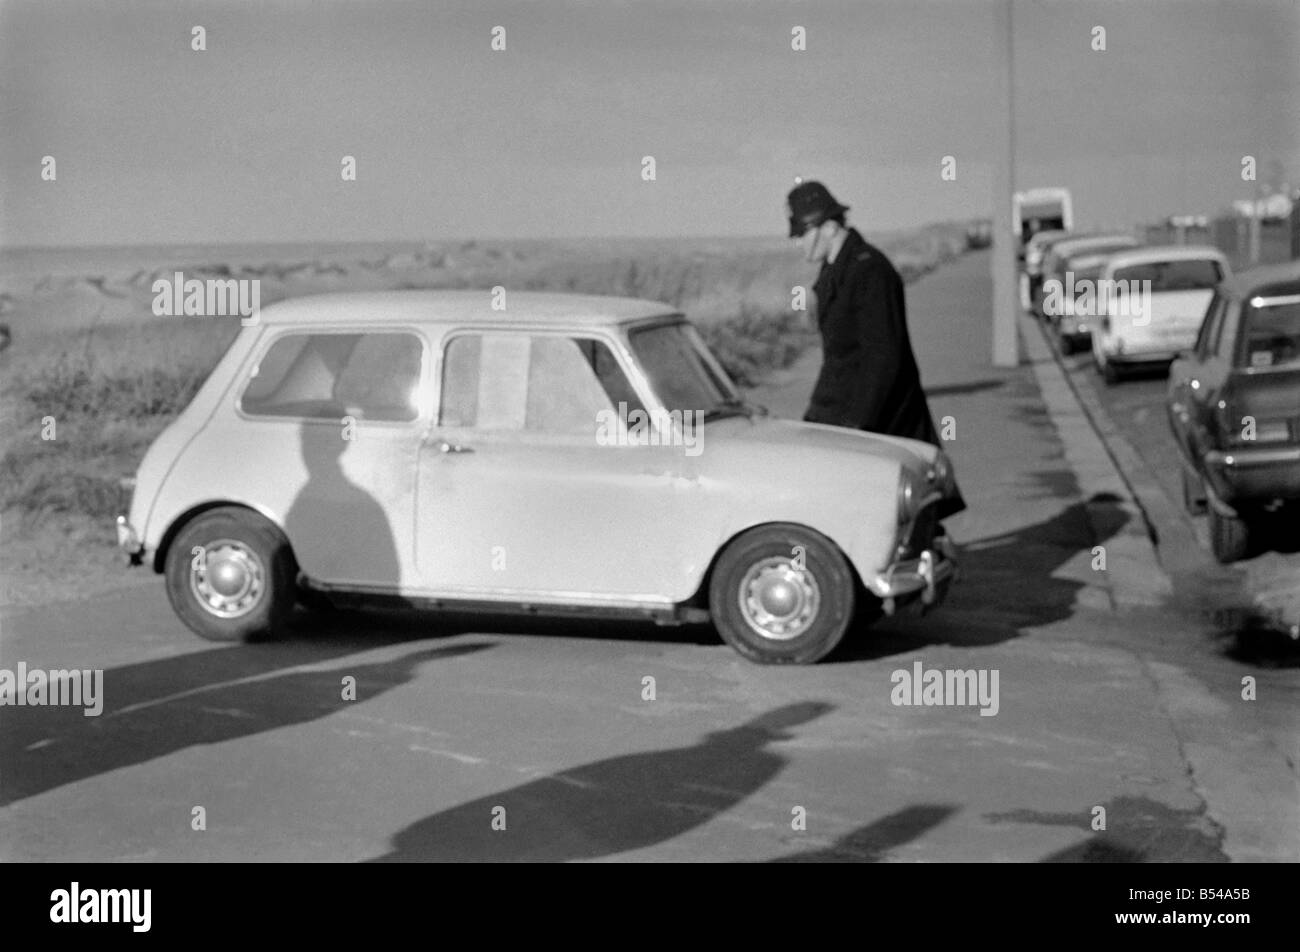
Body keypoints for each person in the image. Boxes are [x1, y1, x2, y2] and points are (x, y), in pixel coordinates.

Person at [786, 179, 966, 519]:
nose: (797, 242)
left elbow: (884, 359)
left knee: (902, 515)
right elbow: (838, 359)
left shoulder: (870, 271)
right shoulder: (835, 271)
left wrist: (857, 425)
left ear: (828, 227)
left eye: (802, 233)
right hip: (844, 415)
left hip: (882, 418)